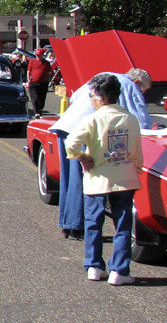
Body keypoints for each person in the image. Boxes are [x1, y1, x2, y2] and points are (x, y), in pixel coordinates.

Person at [51, 68, 153, 240]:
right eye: (144, 89)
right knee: (84, 176)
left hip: (66, 125)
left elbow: (75, 97)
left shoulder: (103, 76)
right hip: (84, 129)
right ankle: (78, 226)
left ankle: (70, 224)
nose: (142, 93)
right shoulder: (130, 85)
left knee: (70, 179)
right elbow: (140, 118)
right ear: (138, 83)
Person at [64, 73, 142, 286]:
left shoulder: (92, 119)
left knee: (93, 222)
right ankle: (119, 269)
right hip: (124, 177)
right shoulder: (130, 118)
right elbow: (136, 150)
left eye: (92, 95)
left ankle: (94, 266)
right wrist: (136, 169)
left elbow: (71, 143)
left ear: (101, 97)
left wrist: (81, 157)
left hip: (97, 177)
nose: (90, 99)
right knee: (123, 224)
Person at [24, 48, 53, 115]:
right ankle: (36, 111)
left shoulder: (46, 63)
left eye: (39, 55)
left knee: (42, 98)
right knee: (35, 98)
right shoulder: (32, 61)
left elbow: (49, 73)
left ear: (42, 55)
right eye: (37, 55)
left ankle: (40, 110)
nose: (38, 57)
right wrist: (29, 81)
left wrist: (48, 81)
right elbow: (28, 72)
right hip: (34, 82)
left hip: (43, 83)